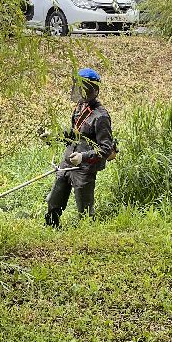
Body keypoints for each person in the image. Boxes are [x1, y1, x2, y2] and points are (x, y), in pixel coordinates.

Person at [45, 67, 116, 228]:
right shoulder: (79, 108)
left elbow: (105, 149)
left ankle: (86, 240)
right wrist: (54, 136)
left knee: (84, 211)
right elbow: (74, 135)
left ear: (93, 90)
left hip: (84, 168)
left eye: (83, 88)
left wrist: (82, 157)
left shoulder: (101, 116)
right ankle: (51, 230)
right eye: (78, 87)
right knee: (53, 201)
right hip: (67, 163)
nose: (80, 91)